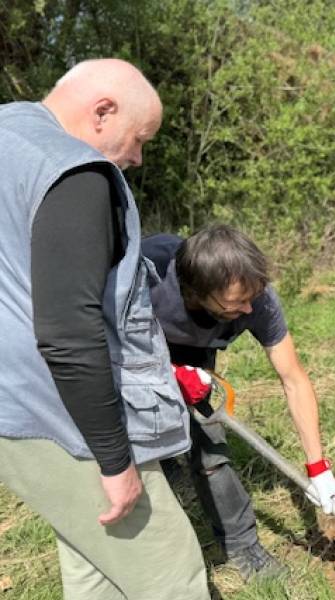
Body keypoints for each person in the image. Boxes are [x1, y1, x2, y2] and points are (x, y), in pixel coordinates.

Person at [0, 59, 208, 599]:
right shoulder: (74, 173)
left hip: (11, 399)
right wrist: (115, 461)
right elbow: (68, 333)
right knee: (171, 571)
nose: (137, 159)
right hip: (48, 405)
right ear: (102, 112)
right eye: (138, 139)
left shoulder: (8, 134)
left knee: (94, 560)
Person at [142, 225, 335, 580]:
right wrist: (168, 371)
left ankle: (241, 545)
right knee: (142, 433)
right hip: (136, 344)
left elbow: (293, 378)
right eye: (237, 303)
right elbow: (98, 338)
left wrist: (318, 467)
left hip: (193, 350)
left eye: (252, 296)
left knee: (209, 446)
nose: (250, 307)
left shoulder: (257, 299)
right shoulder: (147, 275)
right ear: (197, 291)